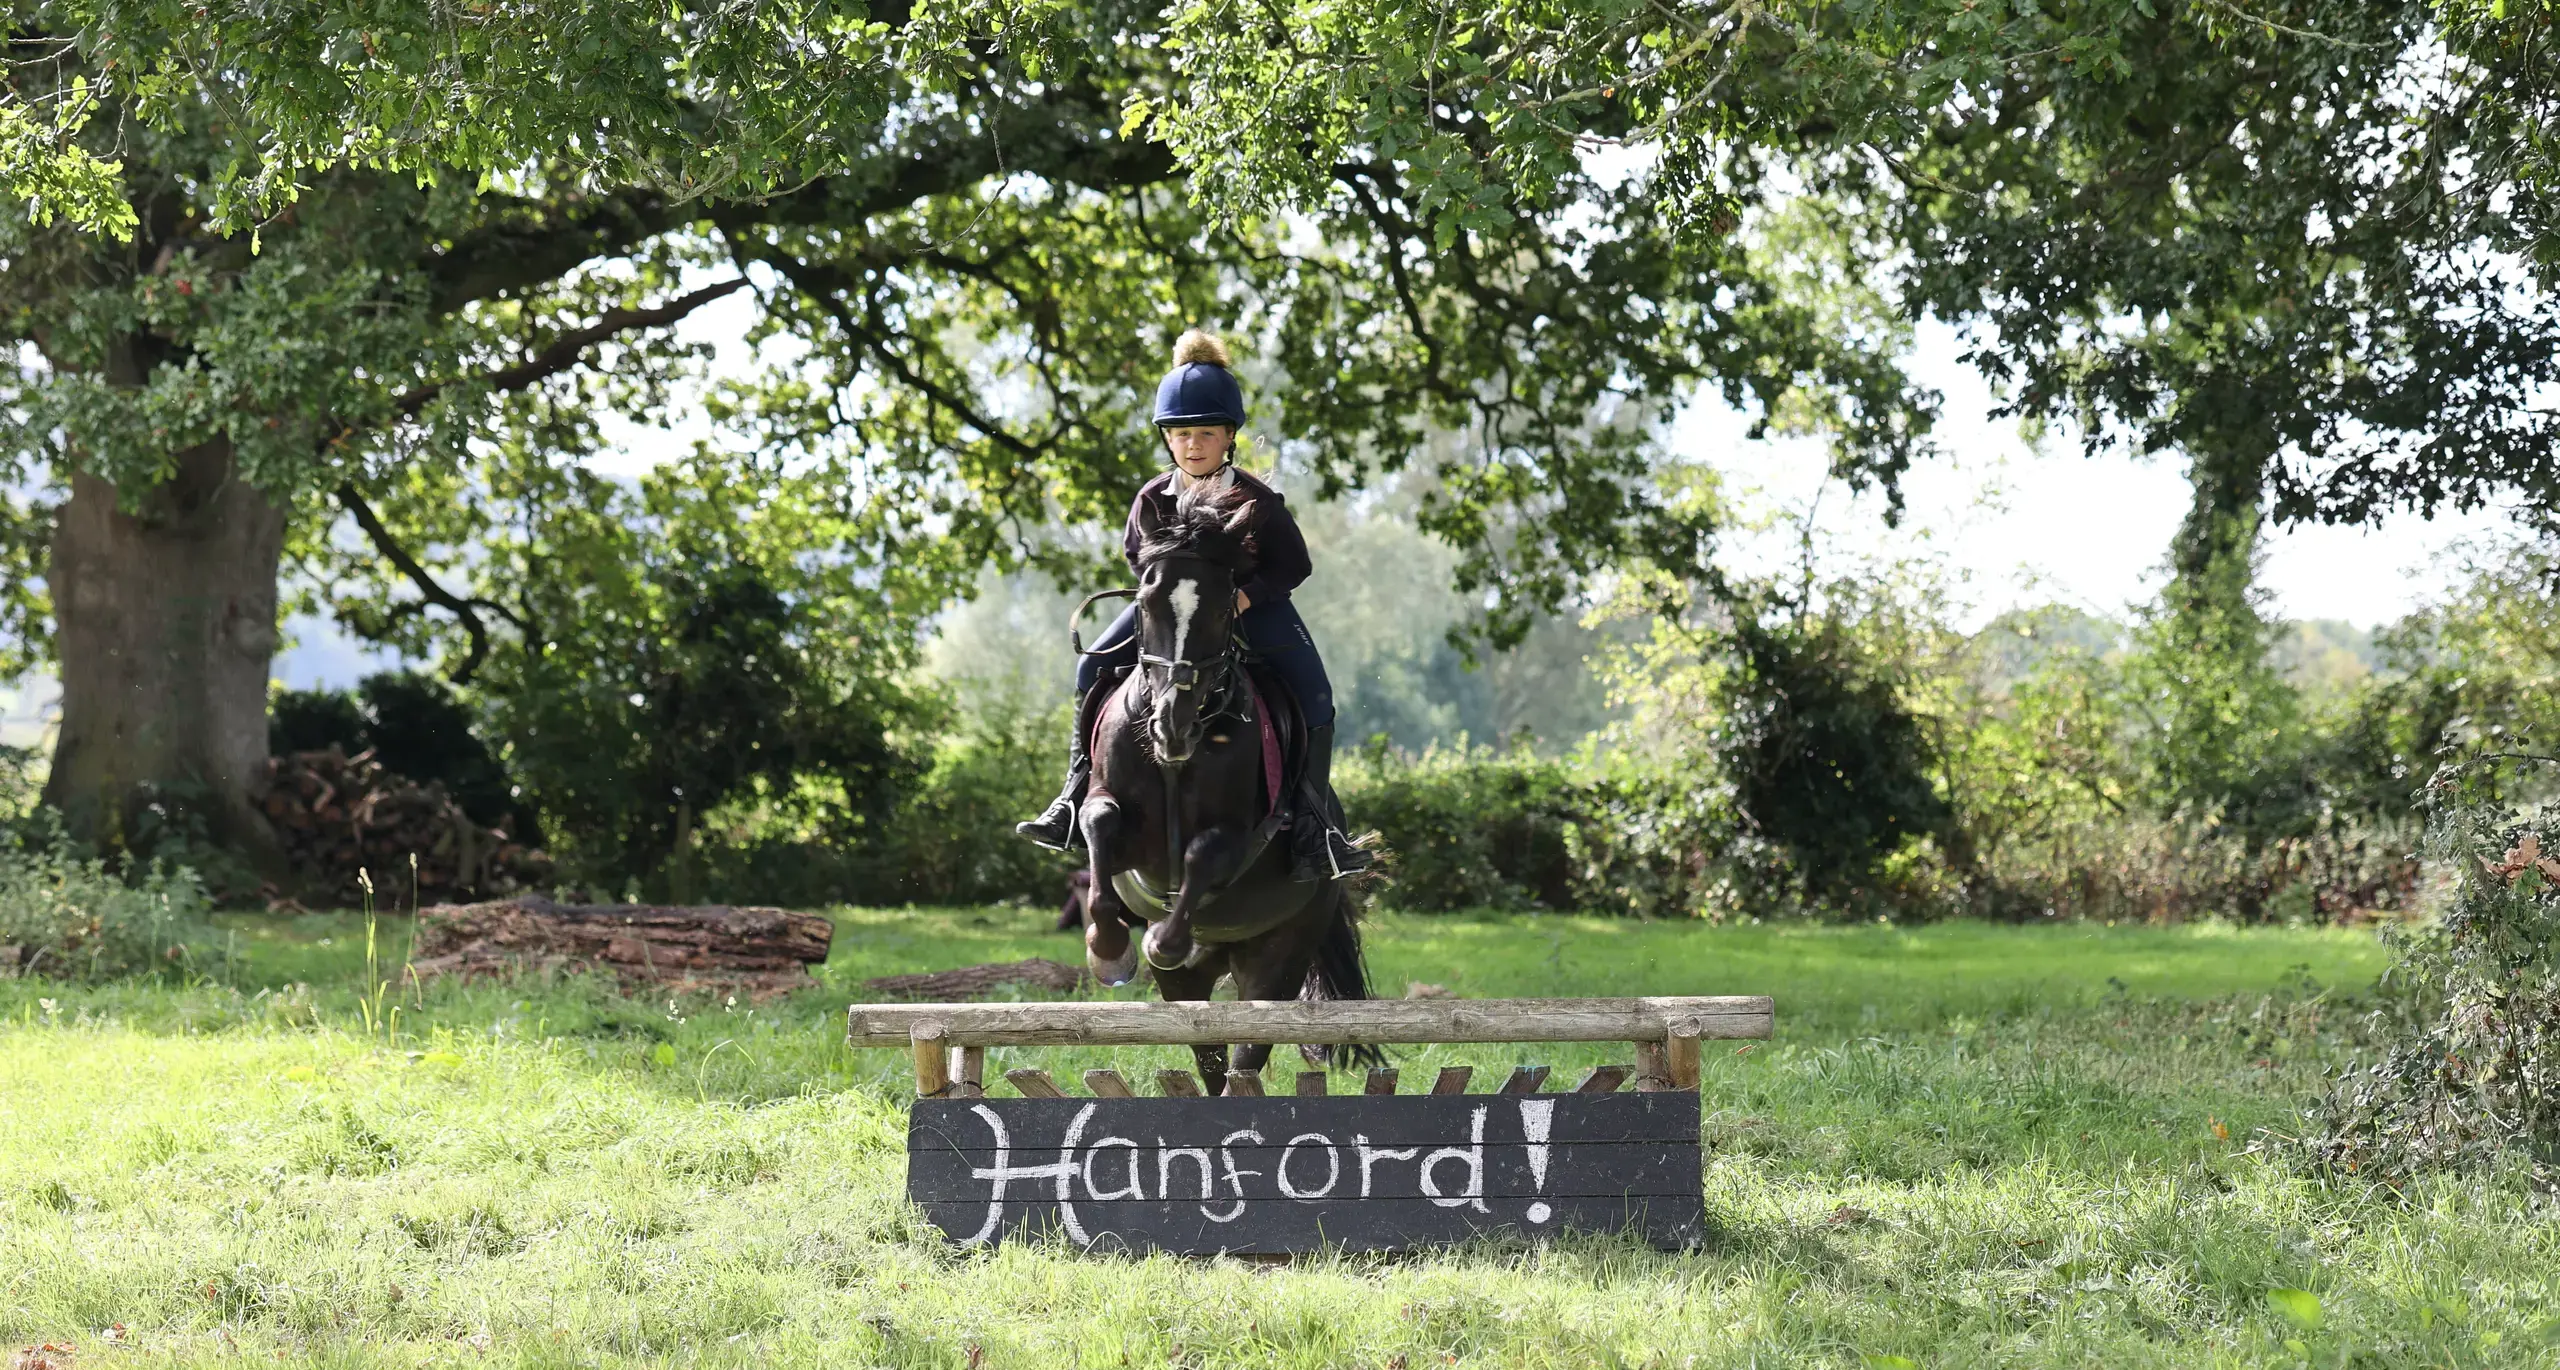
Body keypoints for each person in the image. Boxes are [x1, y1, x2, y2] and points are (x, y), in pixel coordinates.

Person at [1015, 329, 1371, 880]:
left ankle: (1316, 828)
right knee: (1090, 665)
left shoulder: (1256, 499)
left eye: (1206, 433)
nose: (1193, 444)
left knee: (1317, 695)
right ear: (1167, 439)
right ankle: (1071, 796)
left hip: (1250, 607)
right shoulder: (1152, 497)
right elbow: (1138, 557)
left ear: (1229, 435)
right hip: (1171, 613)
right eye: (1181, 434)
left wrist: (1244, 598)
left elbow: (1294, 566)